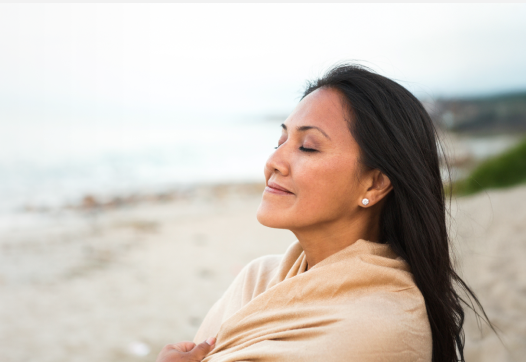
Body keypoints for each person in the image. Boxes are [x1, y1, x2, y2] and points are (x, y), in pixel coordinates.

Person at [156, 64, 491, 362]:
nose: (273, 162)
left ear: (374, 184)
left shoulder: (381, 328)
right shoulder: (257, 279)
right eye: (280, 141)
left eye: (308, 147)